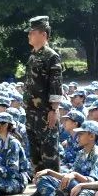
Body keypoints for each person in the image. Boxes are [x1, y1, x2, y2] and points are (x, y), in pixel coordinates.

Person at [23, 15, 63, 174]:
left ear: (43, 34)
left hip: (45, 113)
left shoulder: (51, 56)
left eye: (32, 32)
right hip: (31, 112)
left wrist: (54, 109)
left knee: (49, 152)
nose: (29, 35)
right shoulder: (33, 55)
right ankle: (40, 184)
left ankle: (52, 185)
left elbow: (56, 84)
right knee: (35, 153)